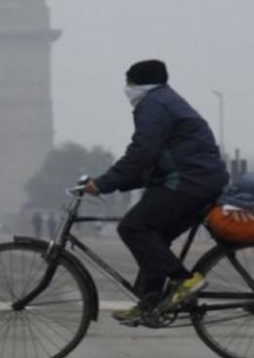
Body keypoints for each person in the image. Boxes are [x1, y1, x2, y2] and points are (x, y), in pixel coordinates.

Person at [84, 59, 229, 323]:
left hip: (189, 181)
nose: (126, 89)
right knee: (154, 241)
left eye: (128, 83)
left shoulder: (154, 105)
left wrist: (104, 183)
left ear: (139, 83)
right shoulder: (164, 101)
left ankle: (185, 282)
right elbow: (151, 164)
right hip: (200, 180)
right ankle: (150, 304)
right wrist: (110, 183)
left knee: (133, 228)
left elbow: (142, 152)